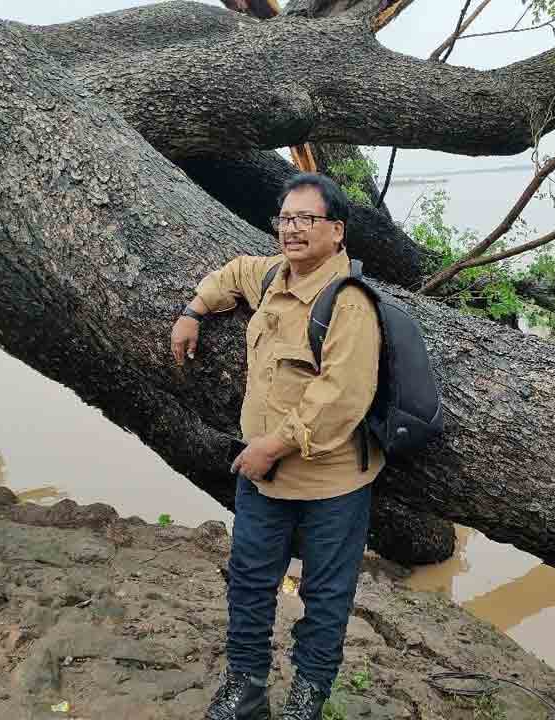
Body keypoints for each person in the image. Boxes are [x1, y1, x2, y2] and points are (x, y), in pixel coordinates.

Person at [172, 173, 383, 720]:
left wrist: (272, 446)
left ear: (336, 231)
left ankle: (306, 699)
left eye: (306, 219)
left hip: (331, 483)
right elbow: (234, 272)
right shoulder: (273, 276)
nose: (292, 229)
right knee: (249, 581)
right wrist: (194, 311)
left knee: (326, 596)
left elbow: (340, 397)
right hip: (264, 477)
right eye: (285, 219)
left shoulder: (349, 303)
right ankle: (245, 689)